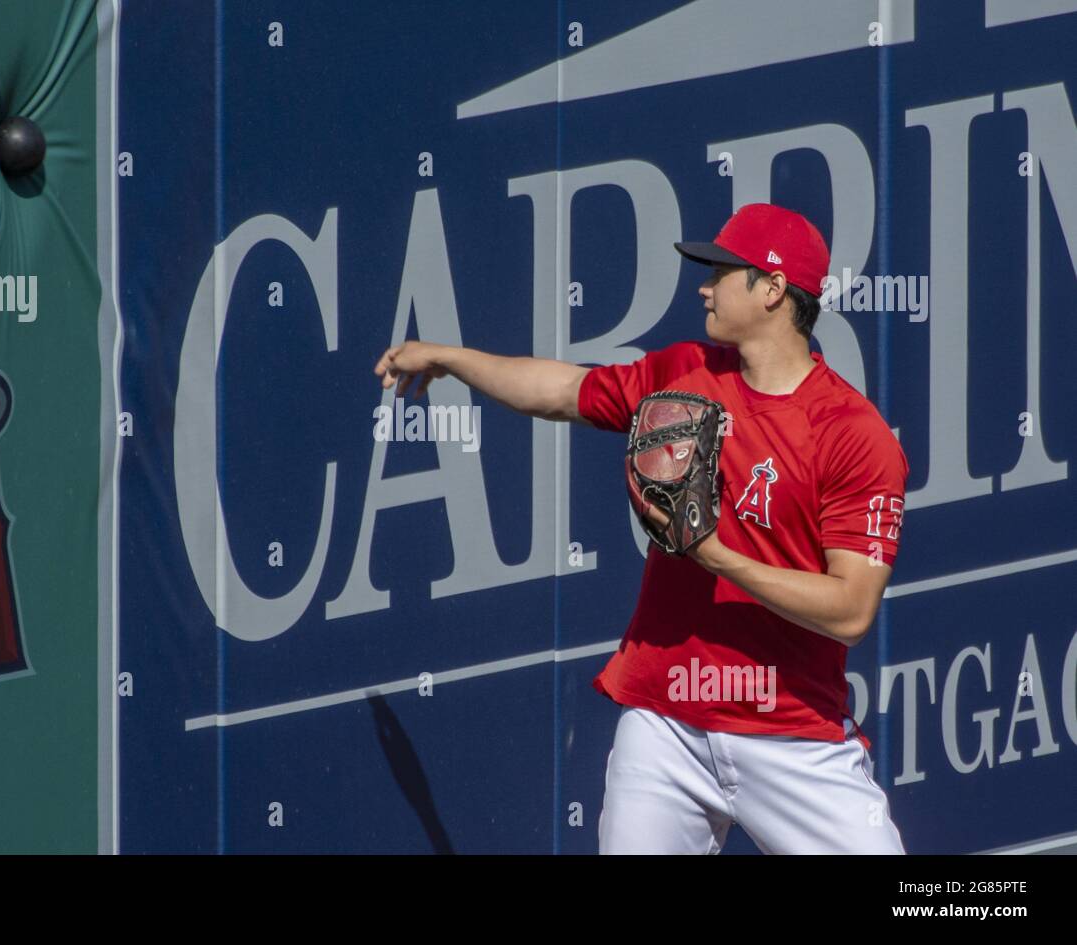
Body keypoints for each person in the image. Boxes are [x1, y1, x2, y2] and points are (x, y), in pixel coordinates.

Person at [373, 203, 909, 854]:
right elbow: (561, 390)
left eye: (721, 270)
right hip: (666, 724)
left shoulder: (853, 435)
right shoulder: (683, 373)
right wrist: (451, 358)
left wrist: (716, 558)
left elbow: (851, 609)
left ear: (772, 289)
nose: (704, 285)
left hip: (791, 731)